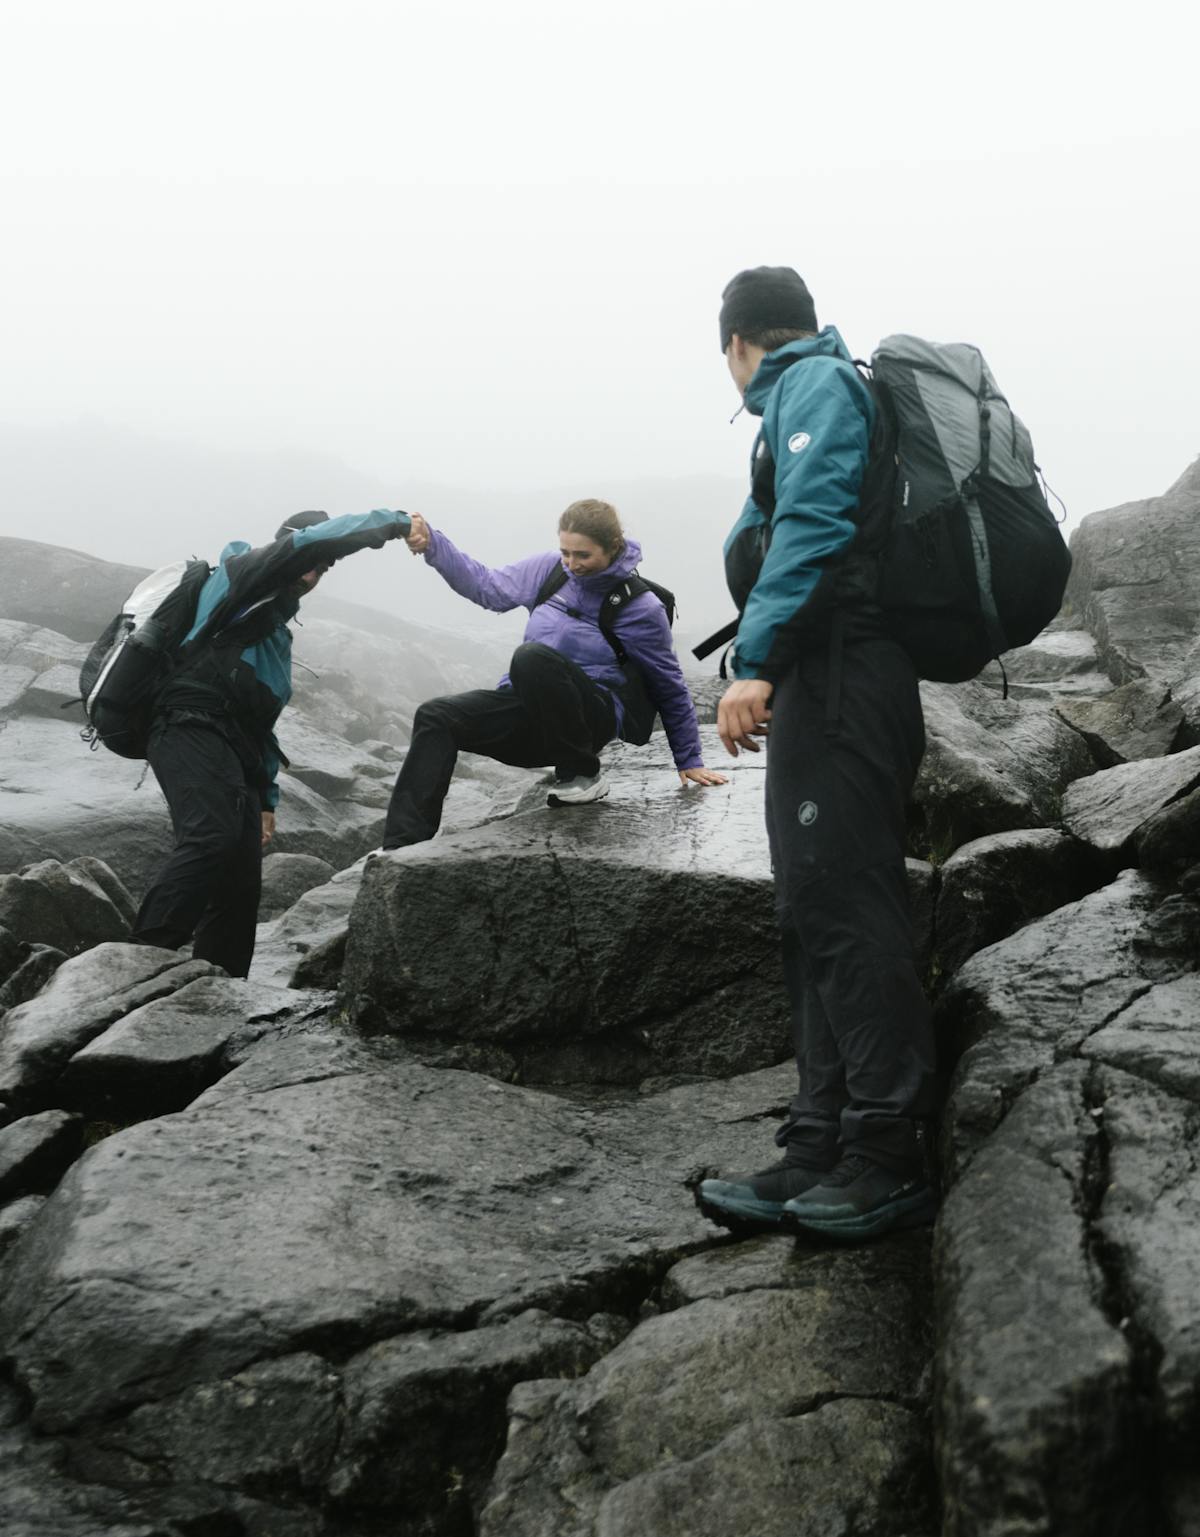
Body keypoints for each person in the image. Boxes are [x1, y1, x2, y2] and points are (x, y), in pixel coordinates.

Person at [695, 266, 938, 1242]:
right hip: (823, 676)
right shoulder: (810, 388)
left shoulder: (816, 384)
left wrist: (753, 661)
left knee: (844, 902)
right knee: (808, 908)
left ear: (738, 343)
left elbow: (814, 518)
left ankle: (888, 1152)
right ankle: (816, 1147)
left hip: (844, 672)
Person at [132, 507, 412, 977]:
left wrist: (265, 799)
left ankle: (221, 987)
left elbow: (260, 724)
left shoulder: (275, 631)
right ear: (288, 546)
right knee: (210, 836)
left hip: (231, 743)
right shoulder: (243, 574)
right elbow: (309, 543)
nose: (313, 575)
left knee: (240, 880)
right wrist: (396, 523)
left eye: (322, 570)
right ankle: (138, 962)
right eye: (312, 562)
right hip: (185, 725)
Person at [379, 498, 725, 848]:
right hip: (533, 716)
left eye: (583, 555)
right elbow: (486, 587)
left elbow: (668, 685)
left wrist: (689, 759)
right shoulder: (550, 570)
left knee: (530, 658)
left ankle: (584, 774)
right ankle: (401, 847)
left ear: (612, 547)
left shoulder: (640, 607)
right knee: (436, 716)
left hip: (589, 720)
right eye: (566, 553)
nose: (572, 564)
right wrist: (433, 543)